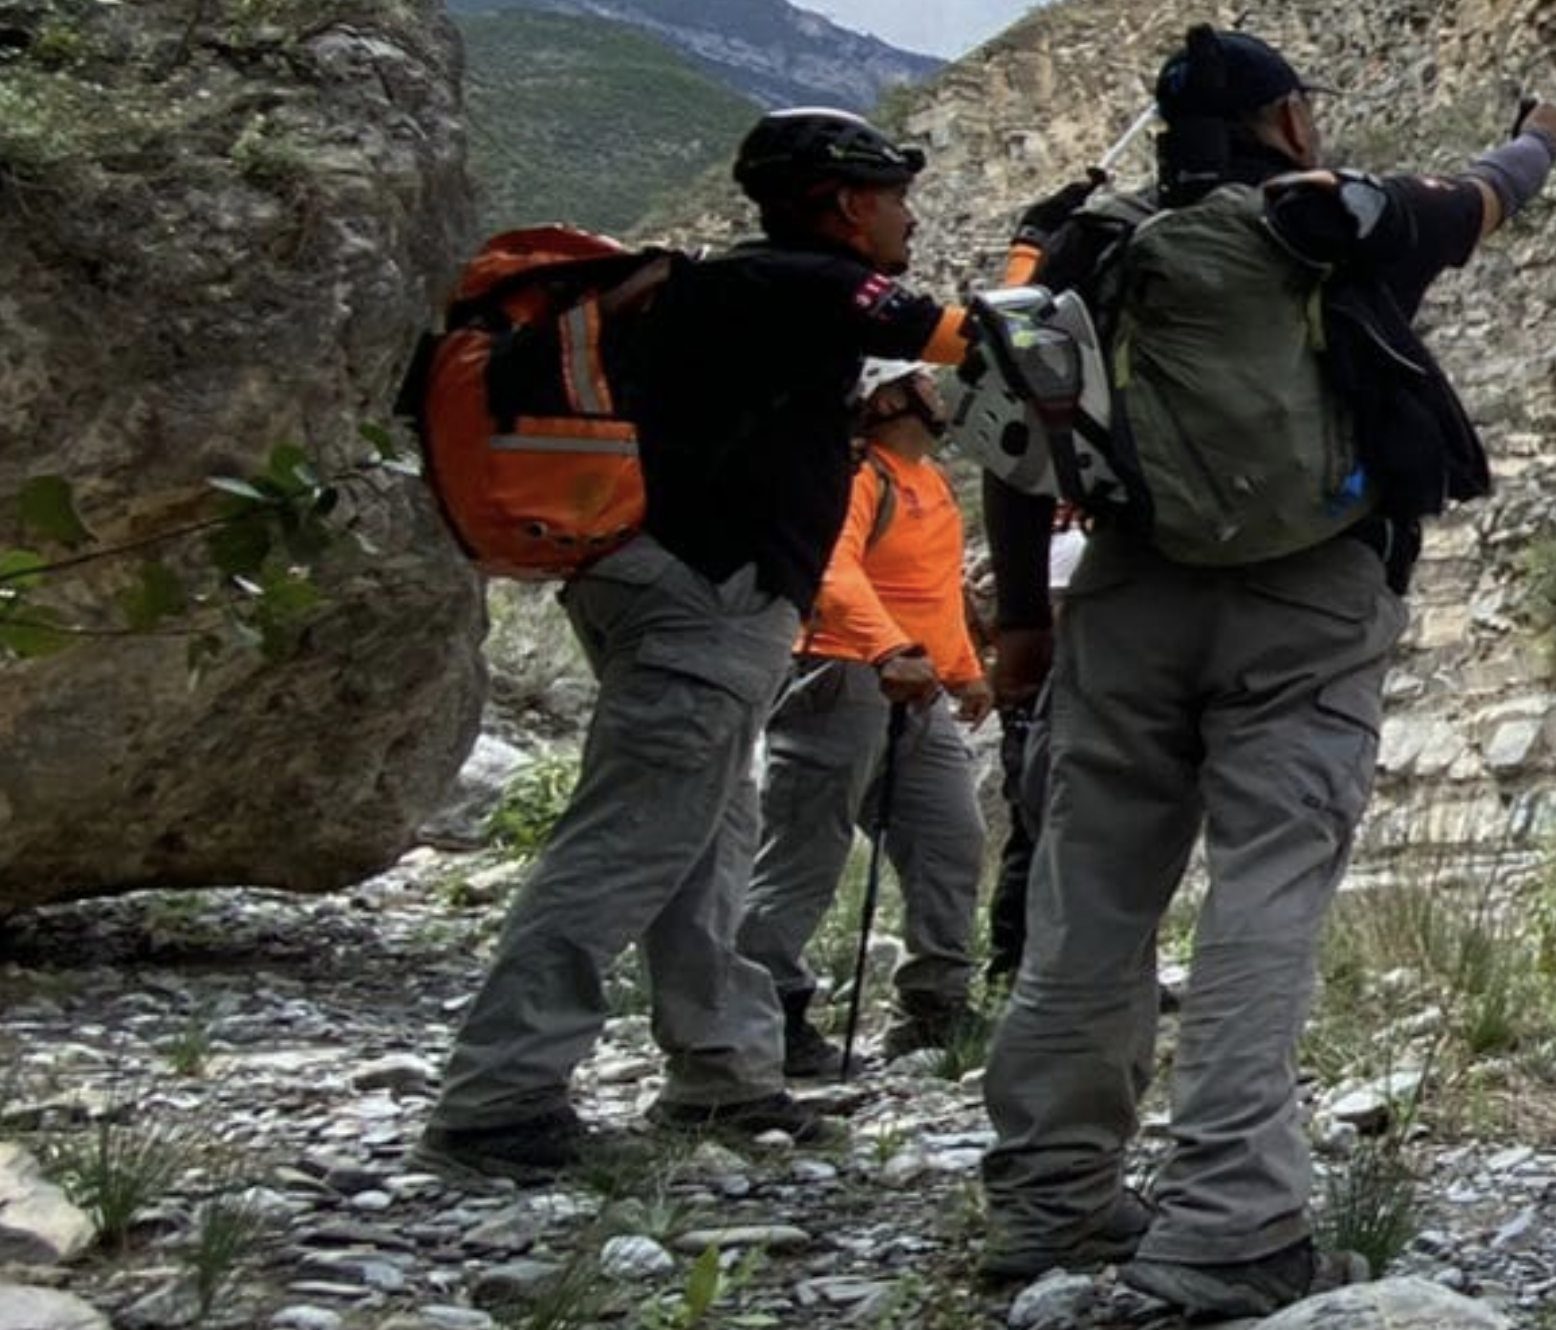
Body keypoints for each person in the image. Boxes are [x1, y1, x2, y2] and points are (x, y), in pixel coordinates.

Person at [975, 25, 1556, 1316]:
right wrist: (1548, 129)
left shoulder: (1088, 246)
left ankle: (1051, 1198)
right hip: (1310, 598)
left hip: (1126, 593)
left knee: (1090, 889)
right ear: (1288, 123)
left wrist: (1021, 618)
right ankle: (1226, 1220)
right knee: (1265, 884)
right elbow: (1497, 185)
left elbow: (1017, 437)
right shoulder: (1340, 220)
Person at [414, 107, 975, 1183]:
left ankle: (722, 1071)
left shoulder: (738, 293)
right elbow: (959, 333)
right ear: (849, 202)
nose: (907, 213)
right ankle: (498, 1094)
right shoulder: (799, 282)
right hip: (702, 601)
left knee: (710, 836)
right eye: (895, 194)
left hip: (683, 592)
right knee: (628, 838)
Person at [740, 358, 996, 1075]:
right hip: (839, 673)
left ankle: (934, 1002)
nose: (937, 391)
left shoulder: (931, 483)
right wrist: (888, 648)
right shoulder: (857, 475)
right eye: (922, 381)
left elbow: (935, 590)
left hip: (914, 687)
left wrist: (963, 672)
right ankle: (765, 1012)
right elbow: (831, 568)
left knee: (951, 838)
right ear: (888, 396)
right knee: (804, 853)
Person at [980, 510, 1084, 986]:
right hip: (1042, 693)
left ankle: (1041, 961)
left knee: (1062, 828)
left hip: (1067, 694)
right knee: (1034, 828)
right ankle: (1014, 961)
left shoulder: (1060, 537)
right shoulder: (1054, 541)